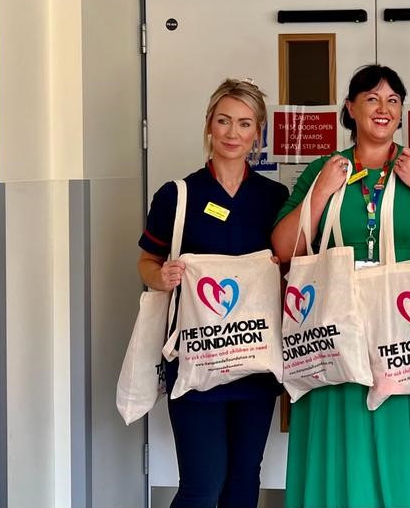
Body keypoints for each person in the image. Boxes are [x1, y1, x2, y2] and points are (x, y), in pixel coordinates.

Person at [271, 64, 410, 508]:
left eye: (393, 101)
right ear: (351, 108)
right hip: (338, 332)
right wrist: (321, 192)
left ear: (401, 114)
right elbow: (285, 248)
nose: (383, 109)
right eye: (372, 99)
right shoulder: (325, 167)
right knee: (343, 435)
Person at [137, 78, 288, 508]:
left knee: (243, 483)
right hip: (197, 361)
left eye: (244, 124)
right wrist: (160, 275)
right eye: (223, 121)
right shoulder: (178, 196)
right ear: (208, 125)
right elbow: (146, 262)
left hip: (255, 362)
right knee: (202, 485)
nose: (232, 133)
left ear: (258, 132)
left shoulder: (274, 197)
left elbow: (292, 266)